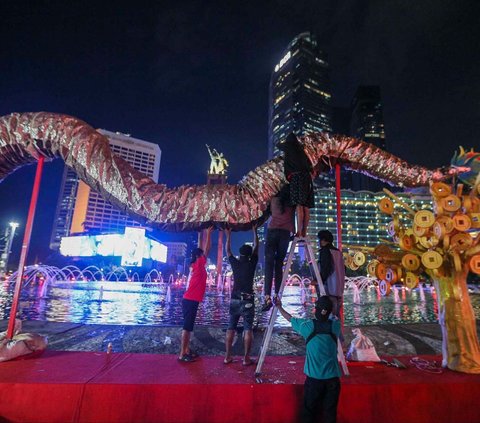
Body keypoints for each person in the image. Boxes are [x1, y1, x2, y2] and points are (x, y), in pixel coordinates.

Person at [276, 296, 341, 423]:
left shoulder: (308, 326)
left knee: (308, 413)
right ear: (329, 311)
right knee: (330, 414)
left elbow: (290, 318)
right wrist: (334, 306)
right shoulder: (336, 326)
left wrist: (279, 306)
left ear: (316, 310)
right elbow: (334, 315)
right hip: (333, 380)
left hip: (314, 380)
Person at [224, 226, 259, 366]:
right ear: (250, 254)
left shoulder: (235, 263)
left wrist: (228, 235)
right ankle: (246, 358)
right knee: (248, 329)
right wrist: (255, 231)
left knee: (231, 327)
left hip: (235, 299)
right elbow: (257, 246)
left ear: (240, 254)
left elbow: (228, 251)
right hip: (248, 299)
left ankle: (227, 356)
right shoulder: (252, 263)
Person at [178, 226, 213, 362]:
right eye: (201, 255)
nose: (204, 255)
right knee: (187, 327)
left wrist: (200, 233)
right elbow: (207, 249)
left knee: (189, 326)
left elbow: (200, 249)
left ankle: (186, 349)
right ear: (199, 257)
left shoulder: (195, 264)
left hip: (190, 300)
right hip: (190, 300)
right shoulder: (198, 265)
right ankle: (182, 354)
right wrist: (209, 234)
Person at [262, 185, 295, 311]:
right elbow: (294, 217)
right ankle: (277, 295)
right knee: (279, 264)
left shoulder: (274, 199)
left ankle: (267, 297)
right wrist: (294, 232)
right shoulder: (292, 203)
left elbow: (266, 213)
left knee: (268, 264)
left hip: (272, 232)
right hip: (285, 234)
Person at [277, 132, 315, 237]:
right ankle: (304, 232)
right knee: (306, 206)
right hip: (307, 179)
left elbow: (278, 145)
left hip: (297, 178)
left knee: (299, 205)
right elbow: (310, 167)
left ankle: (299, 231)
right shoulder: (302, 151)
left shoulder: (289, 149)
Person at [317, 230, 346, 318]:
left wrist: (319, 280)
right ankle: (336, 330)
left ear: (324, 240)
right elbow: (344, 268)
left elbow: (326, 267)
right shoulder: (338, 252)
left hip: (329, 287)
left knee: (328, 313)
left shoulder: (325, 251)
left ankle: (328, 330)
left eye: (319, 240)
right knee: (336, 313)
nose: (319, 242)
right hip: (339, 287)